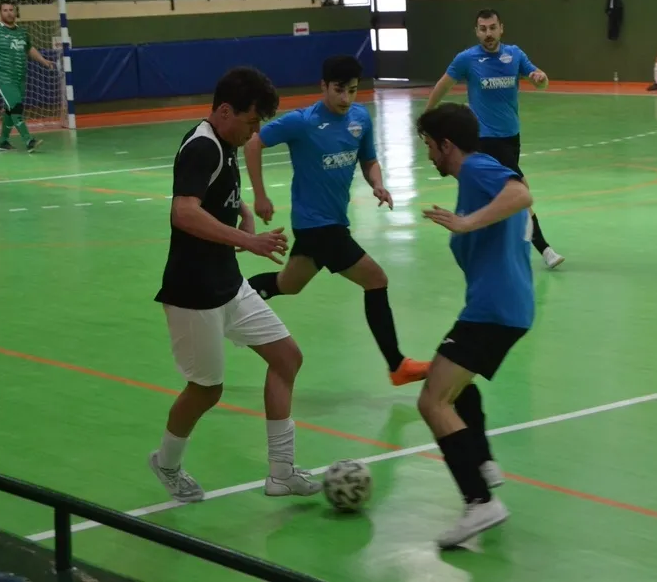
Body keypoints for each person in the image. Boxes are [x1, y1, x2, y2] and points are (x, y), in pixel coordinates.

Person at [150, 67, 321, 503]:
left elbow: (213, 190)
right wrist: (249, 240)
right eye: (252, 121)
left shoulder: (225, 143)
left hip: (228, 282)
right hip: (193, 293)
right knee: (207, 389)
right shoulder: (202, 146)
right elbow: (183, 212)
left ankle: (281, 472)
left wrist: (241, 208)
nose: (255, 132)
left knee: (287, 358)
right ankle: (166, 462)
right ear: (225, 111)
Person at [243, 55, 429, 387]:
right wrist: (260, 195)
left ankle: (229, 302)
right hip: (316, 225)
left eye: (352, 91)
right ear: (324, 86)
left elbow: (369, 160)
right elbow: (253, 144)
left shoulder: (360, 118)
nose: (346, 98)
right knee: (376, 280)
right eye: (339, 90)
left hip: (334, 221)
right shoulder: (303, 122)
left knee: (289, 284)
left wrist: (378, 183)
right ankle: (397, 365)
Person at [415, 103, 535, 549]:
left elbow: (521, 195)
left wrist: (466, 223)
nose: (428, 154)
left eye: (429, 145)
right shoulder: (475, 177)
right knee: (456, 385)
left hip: (494, 309)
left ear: (447, 145)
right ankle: (482, 462)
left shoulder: (477, 169)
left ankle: (479, 501)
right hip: (501, 307)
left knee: (432, 400)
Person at [423, 8, 564, 270]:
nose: (488, 33)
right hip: (486, 139)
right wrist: (428, 118)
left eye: (492, 28)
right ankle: (545, 249)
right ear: (477, 31)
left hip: (512, 137)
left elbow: (540, 81)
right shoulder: (467, 59)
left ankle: (492, 242)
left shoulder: (515, 55)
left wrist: (540, 78)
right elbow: (443, 85)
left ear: (501, 28)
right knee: (520, 190)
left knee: (500, 196)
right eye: (483, 29)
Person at [0, 1, 54, 152]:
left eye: (11, 10)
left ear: (16, 12)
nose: (8, 13)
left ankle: (2, 141)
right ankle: (29, 141)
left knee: (10, 109)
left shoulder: (22, 32)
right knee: (16, 107)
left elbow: (29, 48)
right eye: (5, 10)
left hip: (19, 78)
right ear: (0, 13)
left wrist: (43, 61)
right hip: (3, 78)